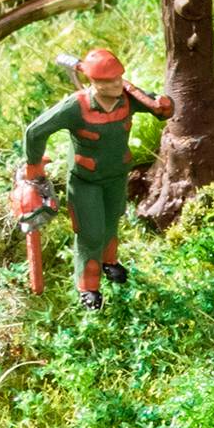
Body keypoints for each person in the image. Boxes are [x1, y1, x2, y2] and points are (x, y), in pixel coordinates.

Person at [20, 47, 171, 311]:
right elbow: (35, 131)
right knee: (91, 234)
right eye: (109, 81)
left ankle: (109, 262)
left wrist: (162, 105)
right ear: (94, 82)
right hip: (85, 182)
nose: (117, 84)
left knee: (111, 223)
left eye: (119, 78)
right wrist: (33, 167)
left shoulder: (127, 99)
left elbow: (161, 111)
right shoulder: (76, 106)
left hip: (116, 177)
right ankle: (88, 288)